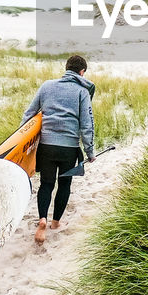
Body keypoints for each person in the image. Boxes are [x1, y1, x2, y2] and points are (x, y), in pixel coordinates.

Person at [23, 54, 95, 244]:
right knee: (64, 184)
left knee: (46, 184)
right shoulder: (82, 92)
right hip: (68, 148)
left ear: (66, 69)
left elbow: (29, 114)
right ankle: (55, 223)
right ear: (82, 72)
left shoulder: (47, 86)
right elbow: (87, 125)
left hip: (46, 146)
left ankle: (42, 219)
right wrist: (90, 152)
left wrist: (24, 143)